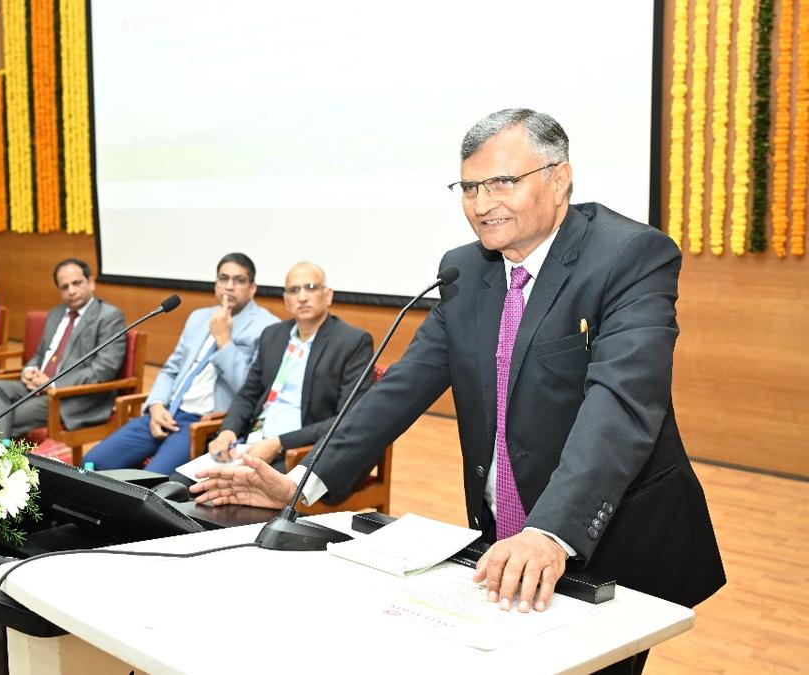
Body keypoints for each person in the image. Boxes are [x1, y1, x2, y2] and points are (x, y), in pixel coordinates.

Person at [191, 110, 725, 663]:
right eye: (469, 187)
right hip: (502, 541)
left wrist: (550, 531)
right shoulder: (465, 271)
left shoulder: (629, 256)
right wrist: (302, 482)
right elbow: (400, 388)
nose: (482, 203)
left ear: (560, 179)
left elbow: (620, 403)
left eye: (503, 182)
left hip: (609, 533)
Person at [80, 253, 278, 475]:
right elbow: (171, 369)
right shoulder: (198, 317)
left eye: (239, 280)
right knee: (92, 463)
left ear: (252, 288)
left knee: (150, 479)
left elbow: (250, 390)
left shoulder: (267, 328)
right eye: (223, 279)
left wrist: (224, 340)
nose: (229, 286)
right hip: (168, 411)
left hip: (204, 422)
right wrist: (156, 404)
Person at [198, 262, 373, 475]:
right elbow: (248, 395)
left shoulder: (352, 342)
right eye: (294, 290)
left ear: (328, 295)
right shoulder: (273, 335)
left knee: (226, 490)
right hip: (251, 444)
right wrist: (228, 430)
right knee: (183, 482)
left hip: (301, 452)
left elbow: (348, 417)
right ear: (286, 300)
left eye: (311, 287)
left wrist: (279, 443)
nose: (302, 297)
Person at [0, 258, 126, 437]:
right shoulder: (55, 314)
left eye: (77, 283)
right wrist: (29, 370)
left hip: (72, 396)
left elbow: (104, 370)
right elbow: (40, 354)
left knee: (0, 416)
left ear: (91, 282)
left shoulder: (109, 317)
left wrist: (52, 384)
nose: (71, 291)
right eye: (64, 287)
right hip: (37, 386)